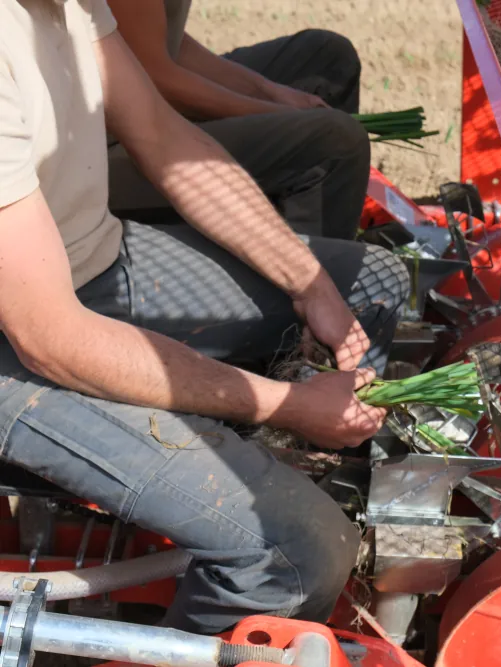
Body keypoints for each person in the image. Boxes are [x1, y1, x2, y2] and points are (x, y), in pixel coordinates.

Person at [0, 0, 409, 634]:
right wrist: (285, 404)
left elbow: (164, 135)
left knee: (370, 284)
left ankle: (239, 482)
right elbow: (50, 337)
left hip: (91, 265)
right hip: (21, 339)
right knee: (295, 556)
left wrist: (312, 286)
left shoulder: (71, 5)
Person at [105, 0, 370, 240]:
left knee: (327, 59)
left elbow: (165, 42)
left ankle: (282, 222)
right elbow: (153, 79)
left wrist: (270, 92)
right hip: (109, 154)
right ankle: (303, 280)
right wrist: (269, 112)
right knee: (334, 142)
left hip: (147, 104)